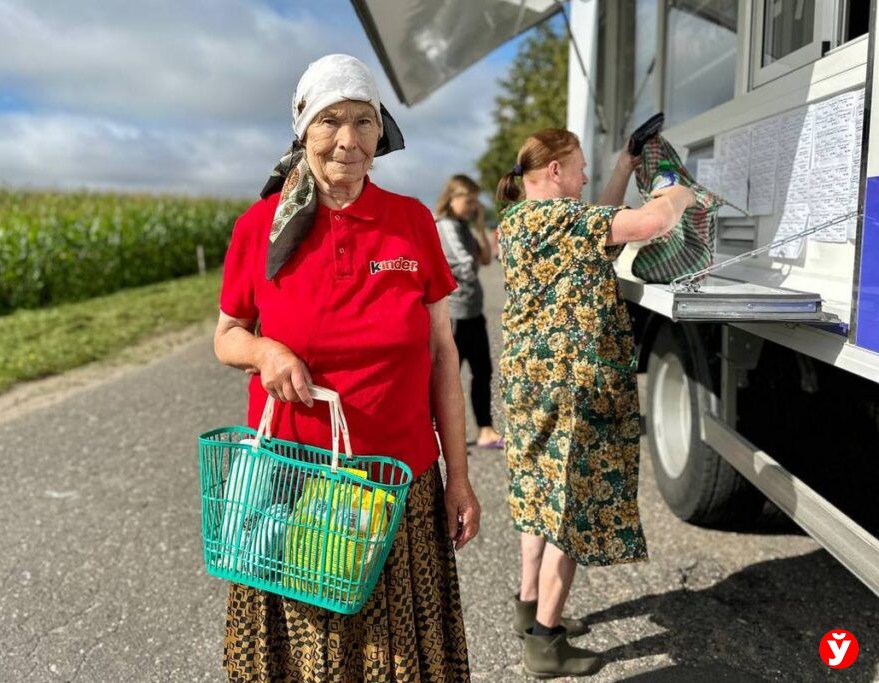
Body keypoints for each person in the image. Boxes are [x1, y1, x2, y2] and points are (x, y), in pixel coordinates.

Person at [213, 54, 480, 682]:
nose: (348, 140)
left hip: (396, 485)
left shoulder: (412, 222)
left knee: (400, 660)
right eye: (331, 120)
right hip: (292, 485)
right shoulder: (260, 228)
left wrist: (459, 478)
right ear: (302, 128)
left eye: (364, 121)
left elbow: (443, 353)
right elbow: (227, 336)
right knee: (312, 656)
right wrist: (266, 351)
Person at [495, 128, 694, 678]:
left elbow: (596, 219)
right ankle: (546, 642)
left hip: (530, 383)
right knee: (571, 507)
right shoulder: (568, 221)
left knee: (539, 495)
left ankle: (528, 605)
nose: (585, 177)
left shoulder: (517, 223)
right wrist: (681, 190)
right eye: (580, 167)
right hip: (574, 387)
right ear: (554, 171)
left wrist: (626, 165)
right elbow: (654, 223)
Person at [434, 175, 503, 450]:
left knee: (483, 371)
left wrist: (477, 225)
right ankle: (435, 434)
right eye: (469, 200)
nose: (473, 205)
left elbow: (485, 258)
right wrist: (470, 262)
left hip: (473, 312)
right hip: (453, 315)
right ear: (452, 198)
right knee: (447, 377)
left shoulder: (463, 226)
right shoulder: (446, 225)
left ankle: (485, 430)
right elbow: (466, 266)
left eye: (476, 200)